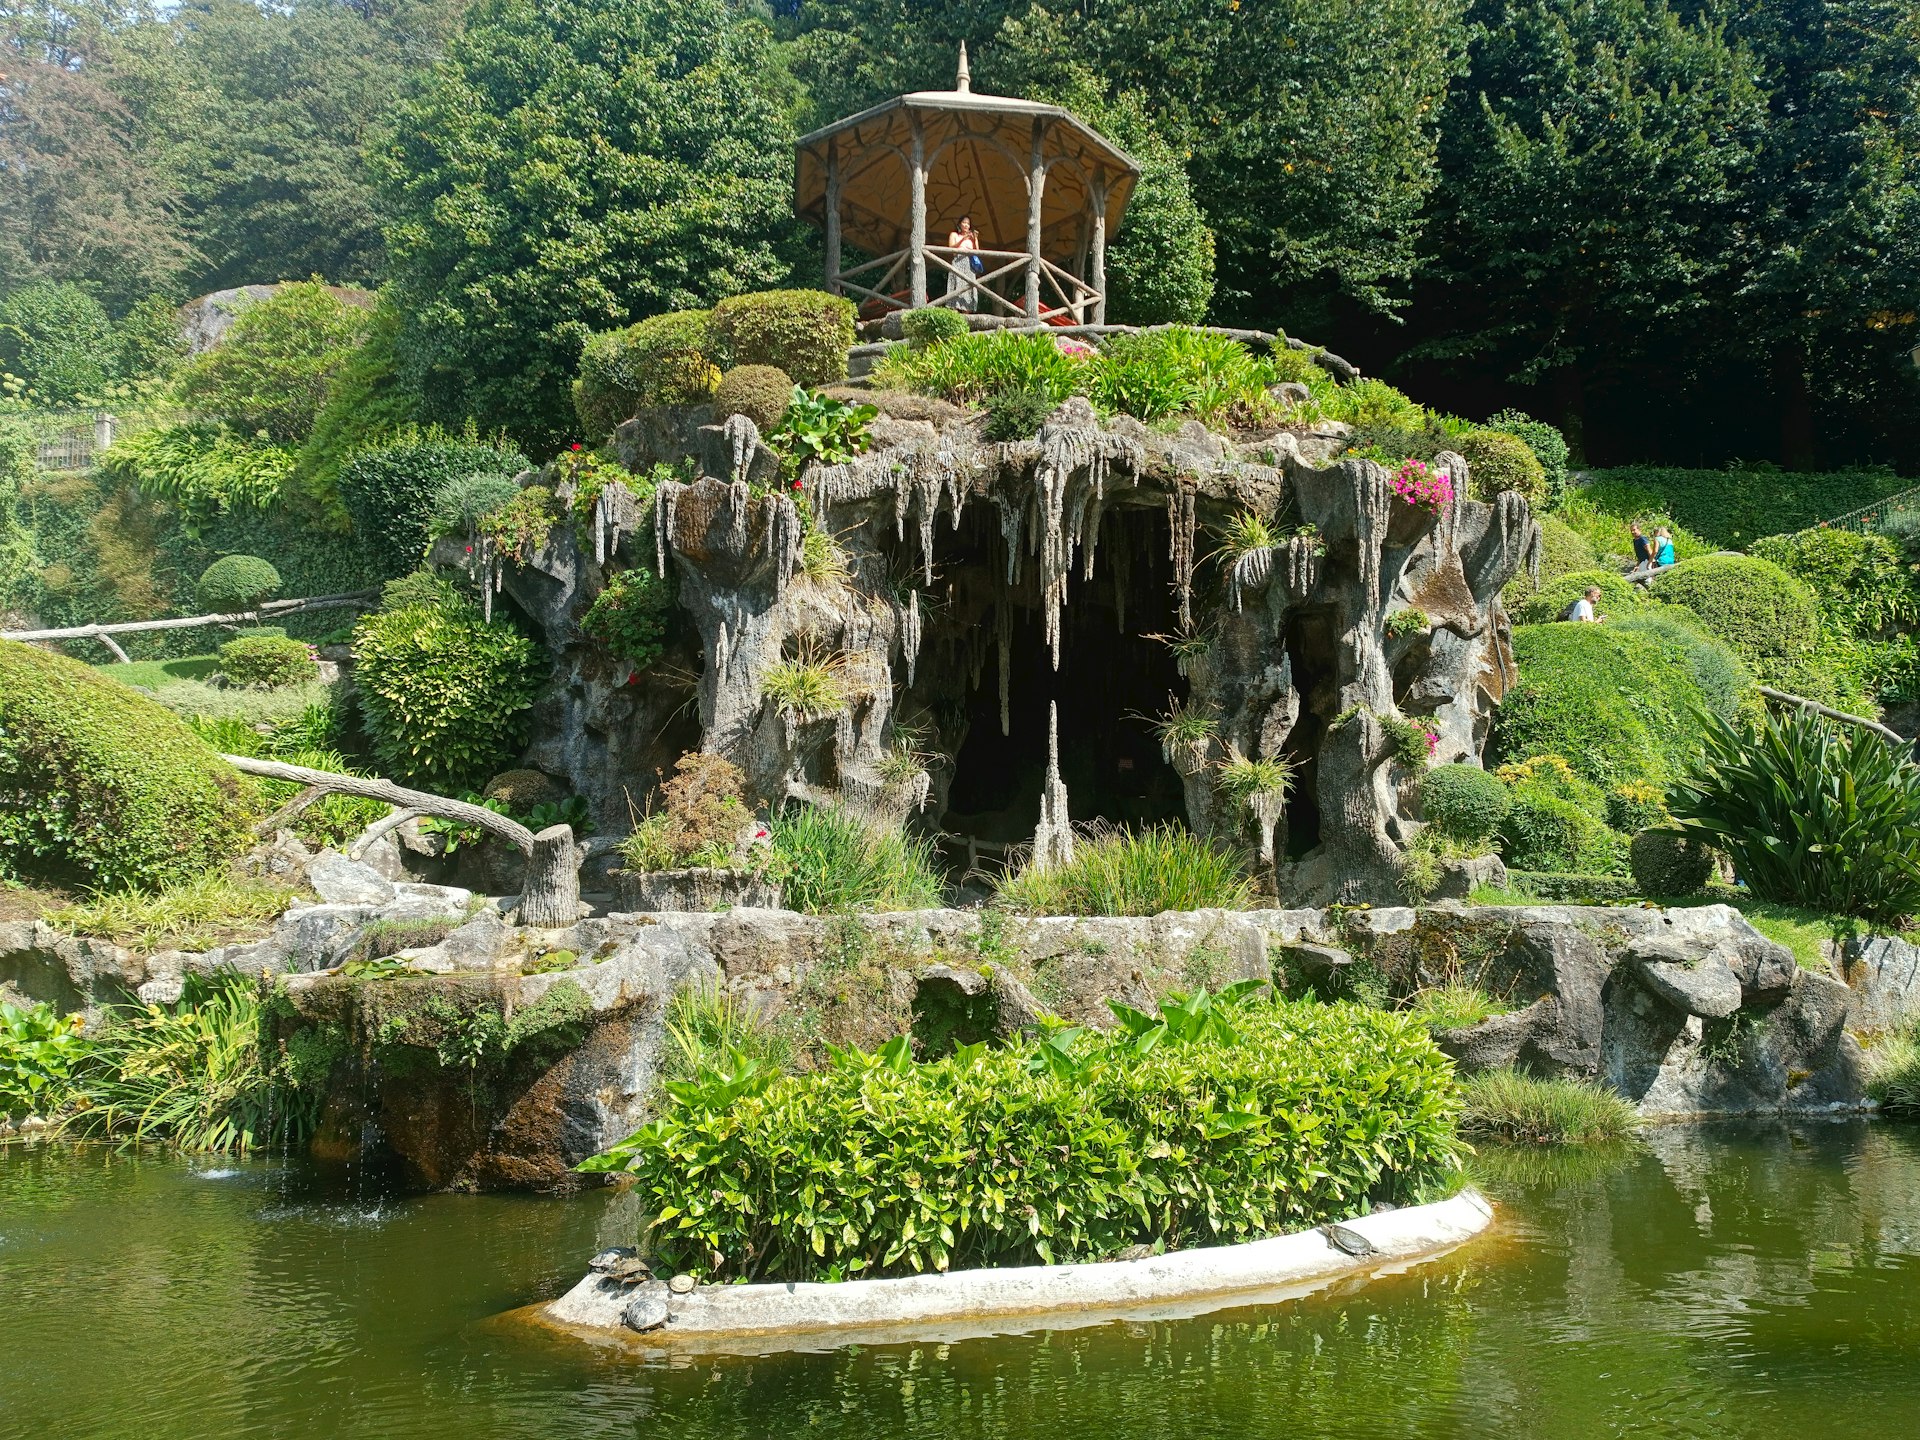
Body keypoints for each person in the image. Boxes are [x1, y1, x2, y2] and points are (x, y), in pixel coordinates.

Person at [945, 215, 980, 312]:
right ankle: (954, 311)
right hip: (958, 263)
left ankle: (967, 312)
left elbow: (977, 252)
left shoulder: (971, 238)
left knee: (968, 288)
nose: (966, 225)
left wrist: (975, 239)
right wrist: (963, 239)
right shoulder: (954, 235)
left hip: (969, 265)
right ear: (960, 224)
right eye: (964, 223)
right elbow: (952, 250)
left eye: (968, 224)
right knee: (957, 286)